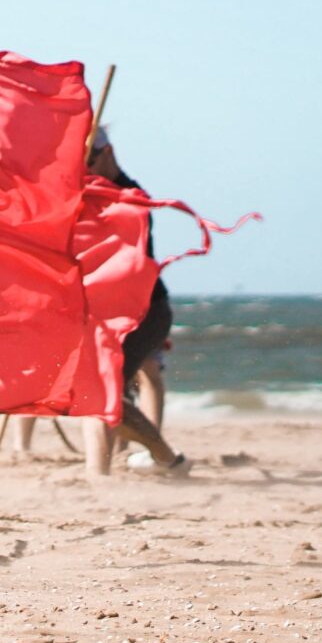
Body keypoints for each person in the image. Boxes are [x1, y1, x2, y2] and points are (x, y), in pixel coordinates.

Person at [84, 127, 188, 475]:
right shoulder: (84, 191)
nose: (83, 168)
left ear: (108, 152)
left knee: (116, 390)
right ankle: (105, 472)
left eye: (89, 159)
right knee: (97, 393)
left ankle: (163, 459)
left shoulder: (131, 197)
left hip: (144, 312)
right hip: (102, 312)